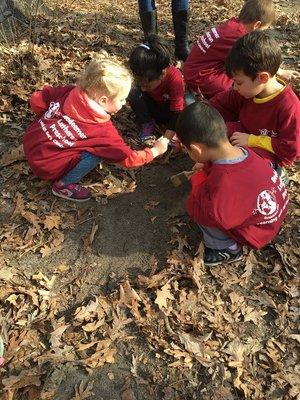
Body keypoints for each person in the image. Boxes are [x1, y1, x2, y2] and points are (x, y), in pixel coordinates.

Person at [23, 55, 169, 202]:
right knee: (96, 153)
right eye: (122, 99)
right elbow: (129, 159)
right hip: (47, 168)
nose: (124, 103)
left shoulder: (69, 91)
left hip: (31, 144)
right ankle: (63, 185)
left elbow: (36, 99)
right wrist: (155, 150)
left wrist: (52, 122)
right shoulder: (103, 132)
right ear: (103, 100)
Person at [175, 101, 289, 267]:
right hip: (276, 210)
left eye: (188, 150)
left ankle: (226, 249)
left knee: (196, 206)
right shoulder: (245, 151)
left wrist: (198, 180)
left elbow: (215, 215)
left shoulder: (225, 180)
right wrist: (207, 166)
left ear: (196, 149)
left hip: (259, 231)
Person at [210, 30, 300, 181]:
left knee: (250, 169)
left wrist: (252, 140)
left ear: (262, 77)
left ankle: (276, 174)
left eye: (239, 82)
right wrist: (196, 118)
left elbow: (291, 149)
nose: (234, 87)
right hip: (243, 136)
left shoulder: (289, 107)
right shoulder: (248, 91)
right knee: (222, 130)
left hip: (267, 152)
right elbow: (219, 104)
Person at [184, 0, 299, 100]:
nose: (263, 32)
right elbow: (257, 60)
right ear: (257, 25)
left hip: (194, 69)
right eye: (264, 29)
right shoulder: (240, 35)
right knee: (242, 85)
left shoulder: (233, 24)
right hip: (201, 77)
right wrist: (280, 72)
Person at [128, 34, 185, 144]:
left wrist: (166, 139)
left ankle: (175, 132)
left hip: (168, 110)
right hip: (152, 106)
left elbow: (177, 111)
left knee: (186, 107)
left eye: (147, 85)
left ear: (162, 74)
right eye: (141, 85)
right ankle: (147, 122)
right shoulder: (143, 73)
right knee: (133, 92)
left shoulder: (174, 77)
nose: (143, 89)